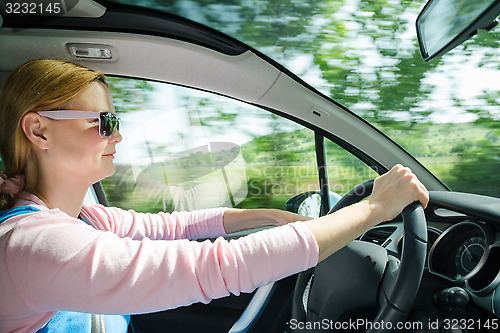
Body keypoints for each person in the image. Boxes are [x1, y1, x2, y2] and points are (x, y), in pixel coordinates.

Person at [0, 59, 429, 333]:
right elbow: (219, 267)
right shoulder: (32, 245)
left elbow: (178, 226)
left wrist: (271, 217)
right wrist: (376, 207)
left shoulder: (86, 219)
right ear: (39, 130)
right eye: (104, 122)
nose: (119, 134)